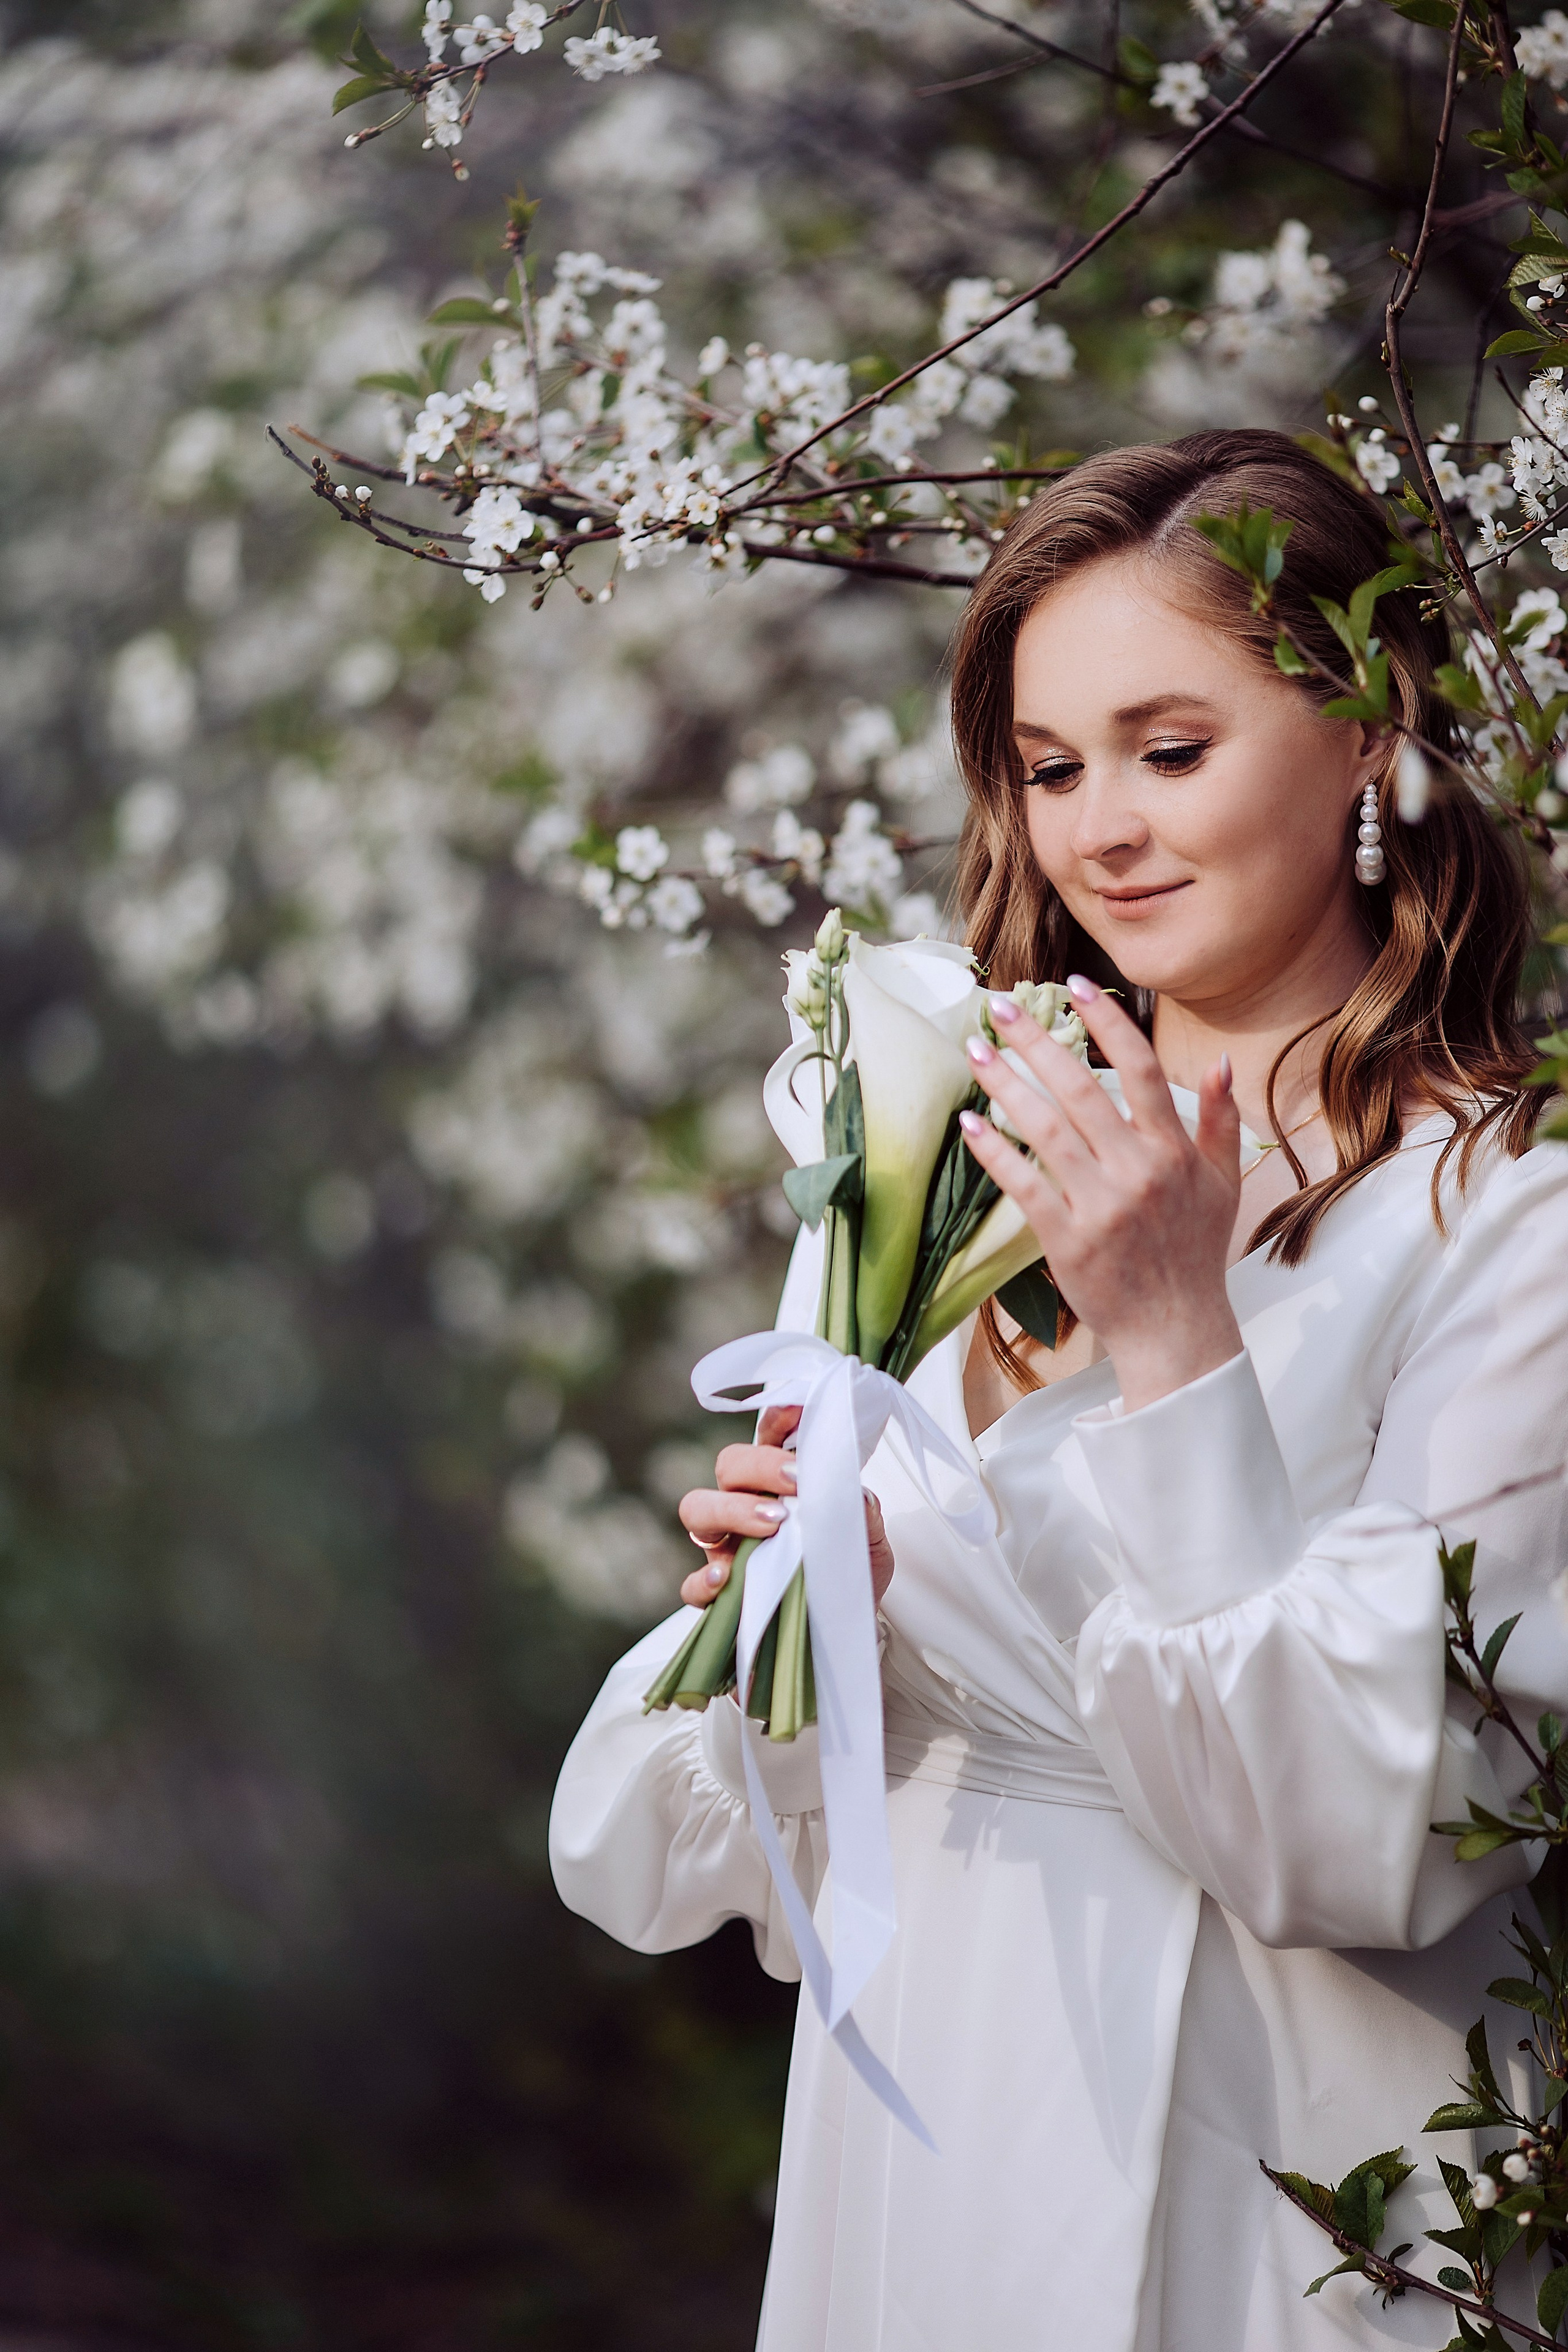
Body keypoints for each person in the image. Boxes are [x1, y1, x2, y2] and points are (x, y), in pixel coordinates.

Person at [548, 428, 1568, 2350]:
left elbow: (1375, 1838)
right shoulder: (951, 1159)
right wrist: (794, 1629)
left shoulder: (1510, 1217)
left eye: (1172, 751)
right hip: (921, 2137)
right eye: (1050, 767)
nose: (1101, 829)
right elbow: (690, 1865)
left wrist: (1179, 1338)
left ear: (1370, 733)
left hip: (1268, 2182)